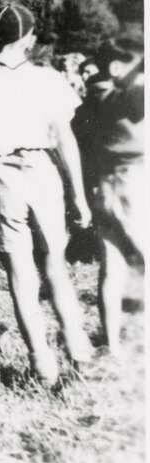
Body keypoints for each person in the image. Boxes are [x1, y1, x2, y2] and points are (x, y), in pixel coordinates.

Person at [0, 3, 94, 385]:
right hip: (42, 169)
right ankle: (77, 346)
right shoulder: (46, 80)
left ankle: (40, 361)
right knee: (54, 265)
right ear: (28, 40)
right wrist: (79, 194)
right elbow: (66, 141)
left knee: (19, 272)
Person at [73, 37, 144, 358]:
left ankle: (111, 344)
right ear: (116, 68)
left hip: (102, 187)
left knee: (110, 268)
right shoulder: (123, 99)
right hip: (131, 183)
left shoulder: (87, 103)